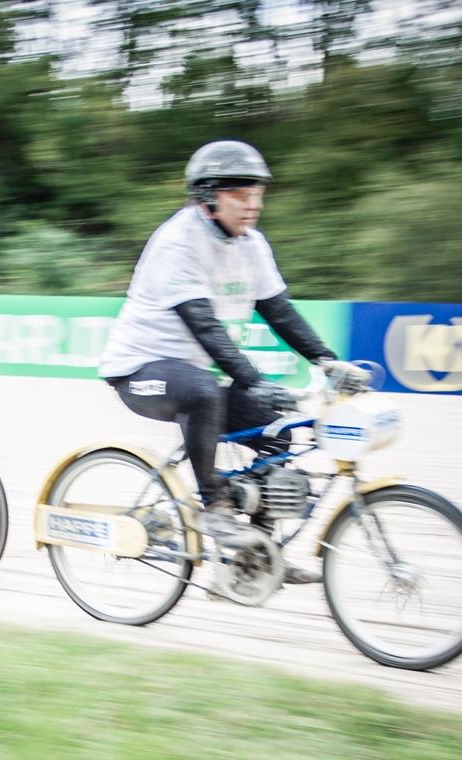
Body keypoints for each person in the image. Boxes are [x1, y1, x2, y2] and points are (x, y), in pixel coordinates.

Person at [98, 140, 365, 583]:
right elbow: (205, 326)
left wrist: (328, 362)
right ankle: (214, 507)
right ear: (208, 196)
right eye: (240, 195)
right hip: (139, 371)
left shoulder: (251, 245)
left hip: (197, 372)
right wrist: (252, 378)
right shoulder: (176, 242)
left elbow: (279, 310)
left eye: (257, 194)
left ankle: (254, 562)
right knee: (202, 390)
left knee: (277, 433)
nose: (253, 204)